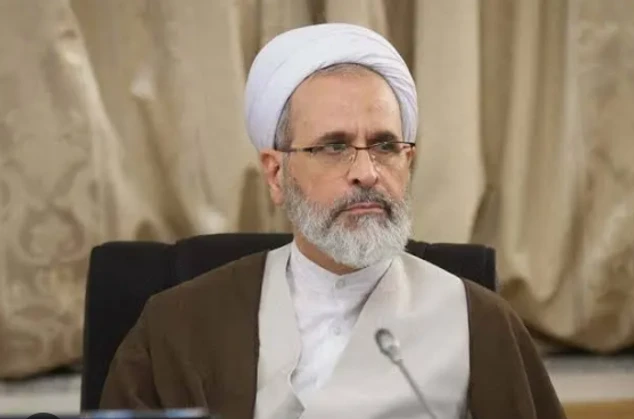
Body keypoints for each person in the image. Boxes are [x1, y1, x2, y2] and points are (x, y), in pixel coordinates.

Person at [100, 23, 566, 419]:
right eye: (334, 146)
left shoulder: (480, 324)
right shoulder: (179, 328)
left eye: (385, 146)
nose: (366, 172)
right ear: (276, 174)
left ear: (408, 162)